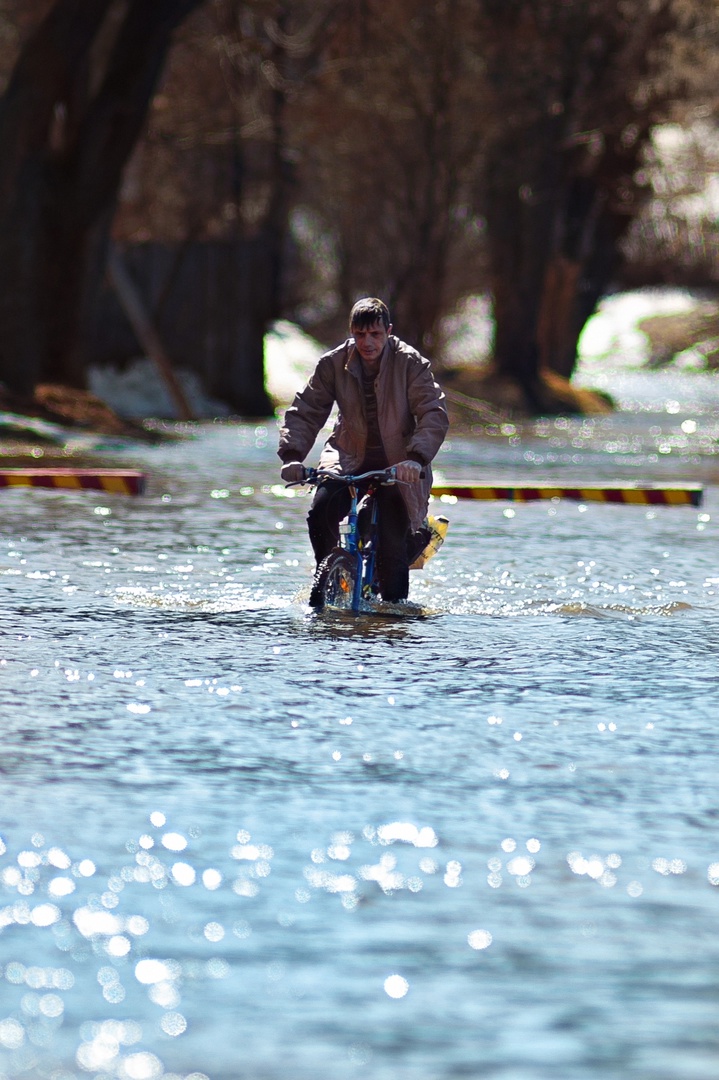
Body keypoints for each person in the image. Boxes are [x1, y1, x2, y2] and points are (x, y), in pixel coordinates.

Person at [278, 297, 449, 604]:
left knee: (392, 551)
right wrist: (292, 455)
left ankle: (393, 615)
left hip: (401, 464)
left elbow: (433, 413)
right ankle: (330, 575)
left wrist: (417, 458)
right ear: (351, 333)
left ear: (389, 332)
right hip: (346, 457)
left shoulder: (410, 363)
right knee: (321, 512)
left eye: (375, 335)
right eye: (360, 334)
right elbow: (306, 409)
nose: (367, 342)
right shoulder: (332, 363)